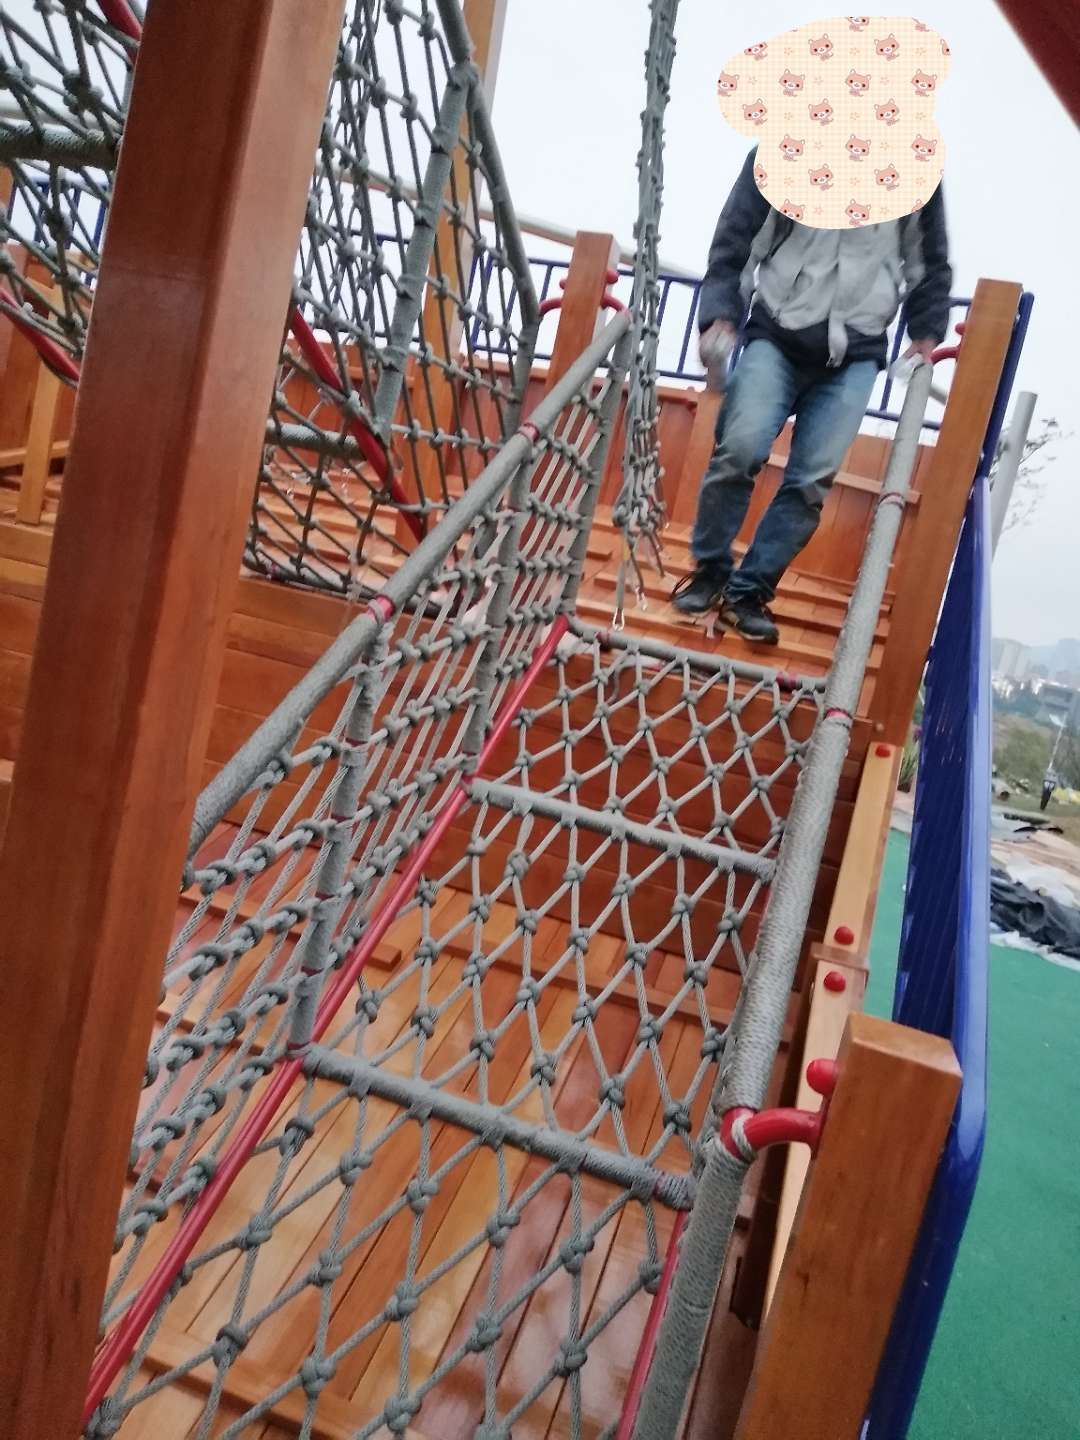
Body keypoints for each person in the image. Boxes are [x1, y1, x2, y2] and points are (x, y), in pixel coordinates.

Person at [673, 146, 952, 643]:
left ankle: (749, 593)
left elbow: (927, 264)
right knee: (739, 449)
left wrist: (926, 333)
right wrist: (721, 315)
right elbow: (737, 242)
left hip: (857, 349)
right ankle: (711, 570)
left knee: (811, 480)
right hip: (777, 332)